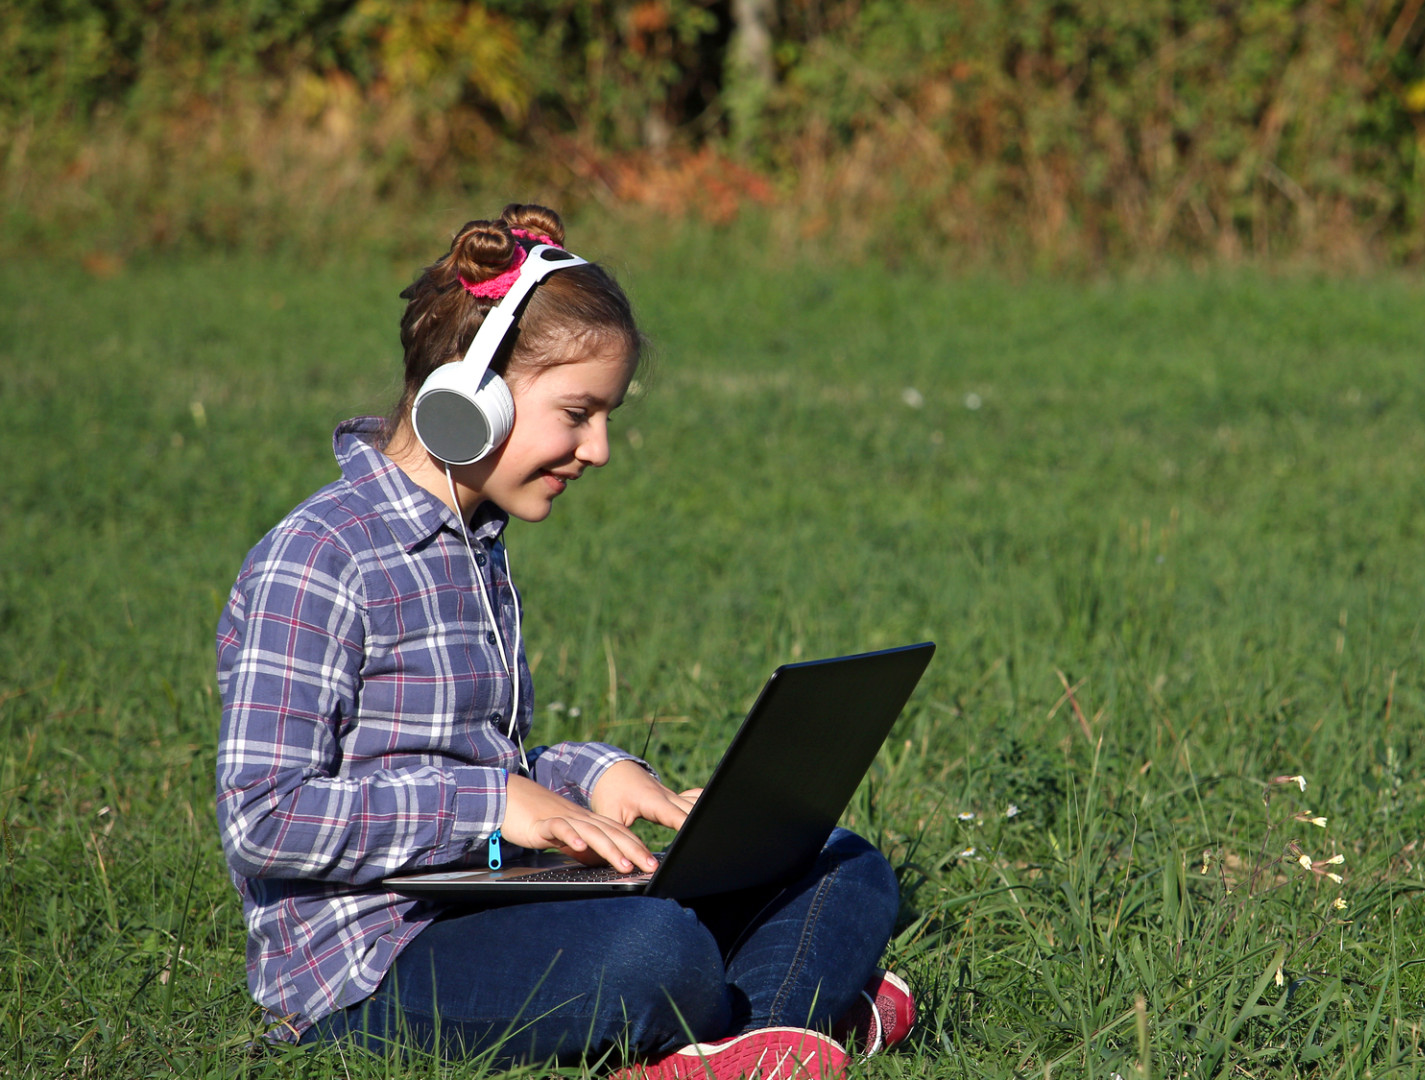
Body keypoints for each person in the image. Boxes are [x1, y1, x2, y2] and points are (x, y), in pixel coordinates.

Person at [214, 204, 913, 1079]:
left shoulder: (473, 549)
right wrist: (491, 803)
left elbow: (482, 763)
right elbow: (264, 818)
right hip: (367, 970)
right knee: (658, 951)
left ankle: (743, 1045)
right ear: (470, 398)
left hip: (493, 904)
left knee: (843, 862)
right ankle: (798, 1009)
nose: (601, 448)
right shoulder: (320, 560)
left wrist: (593, 774)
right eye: (578, 412)